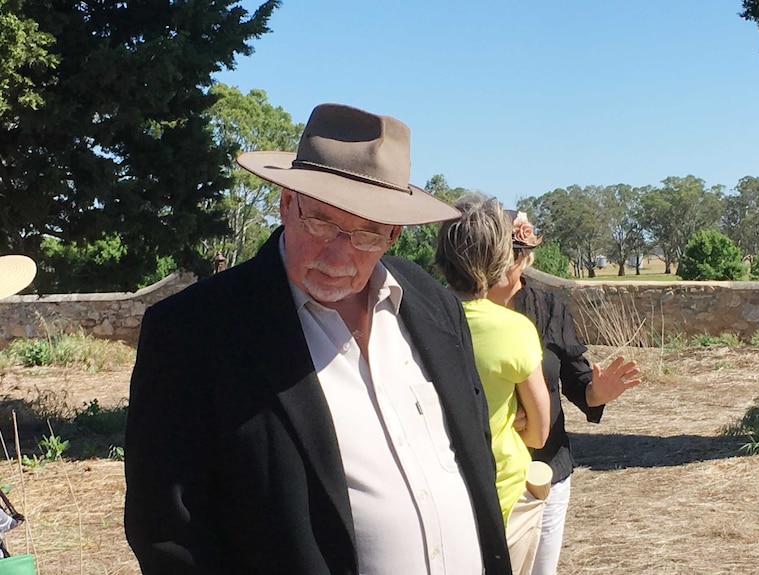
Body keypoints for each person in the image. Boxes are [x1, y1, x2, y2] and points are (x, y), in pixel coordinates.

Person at [124, 103, 511, 575]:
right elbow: (170, 535)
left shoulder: (434, 306)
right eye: (322, 222)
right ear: (287, 202)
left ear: (393, 233)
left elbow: (474, 460)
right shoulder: (195, 332)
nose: (339, 253)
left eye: (367, 233)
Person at [488, 211, 641, 575]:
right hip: (484, 473)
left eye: (520, 255)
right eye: (509, 254)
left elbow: (577, 382)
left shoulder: (547, 307)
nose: (517, 263)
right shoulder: (455, 311)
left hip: (546, 472)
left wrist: (597, 392)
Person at [435, 193, 551, 575]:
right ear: (500, 259)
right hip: (503, 493)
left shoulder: (411, 314)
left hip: (438, 500)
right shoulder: (515, 330)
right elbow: (538, 434)